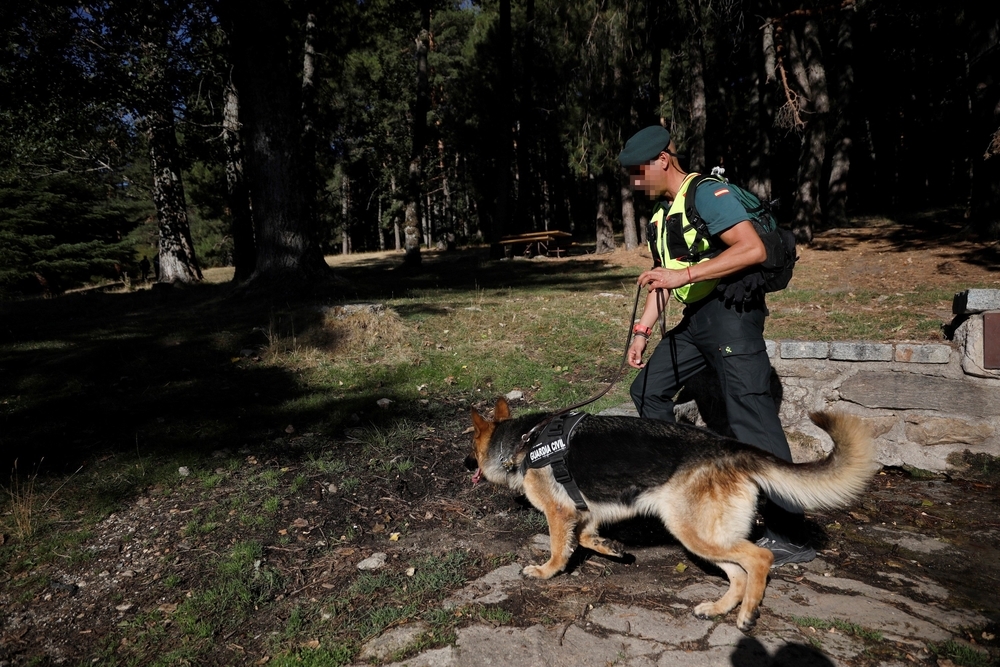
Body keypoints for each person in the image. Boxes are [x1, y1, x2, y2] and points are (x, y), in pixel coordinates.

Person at [619, 125, 815, 567]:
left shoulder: (705, 193)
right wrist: (642, 332)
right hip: (696, 322)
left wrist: (682, 276)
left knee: (752, 416)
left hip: (733, 316)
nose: (634, 182)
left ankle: (792, 533)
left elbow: (751, 250)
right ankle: (677, 492)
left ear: (663, 160)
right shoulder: (661, 217)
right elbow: (660, 280)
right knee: (647, 391)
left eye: (638, 172)